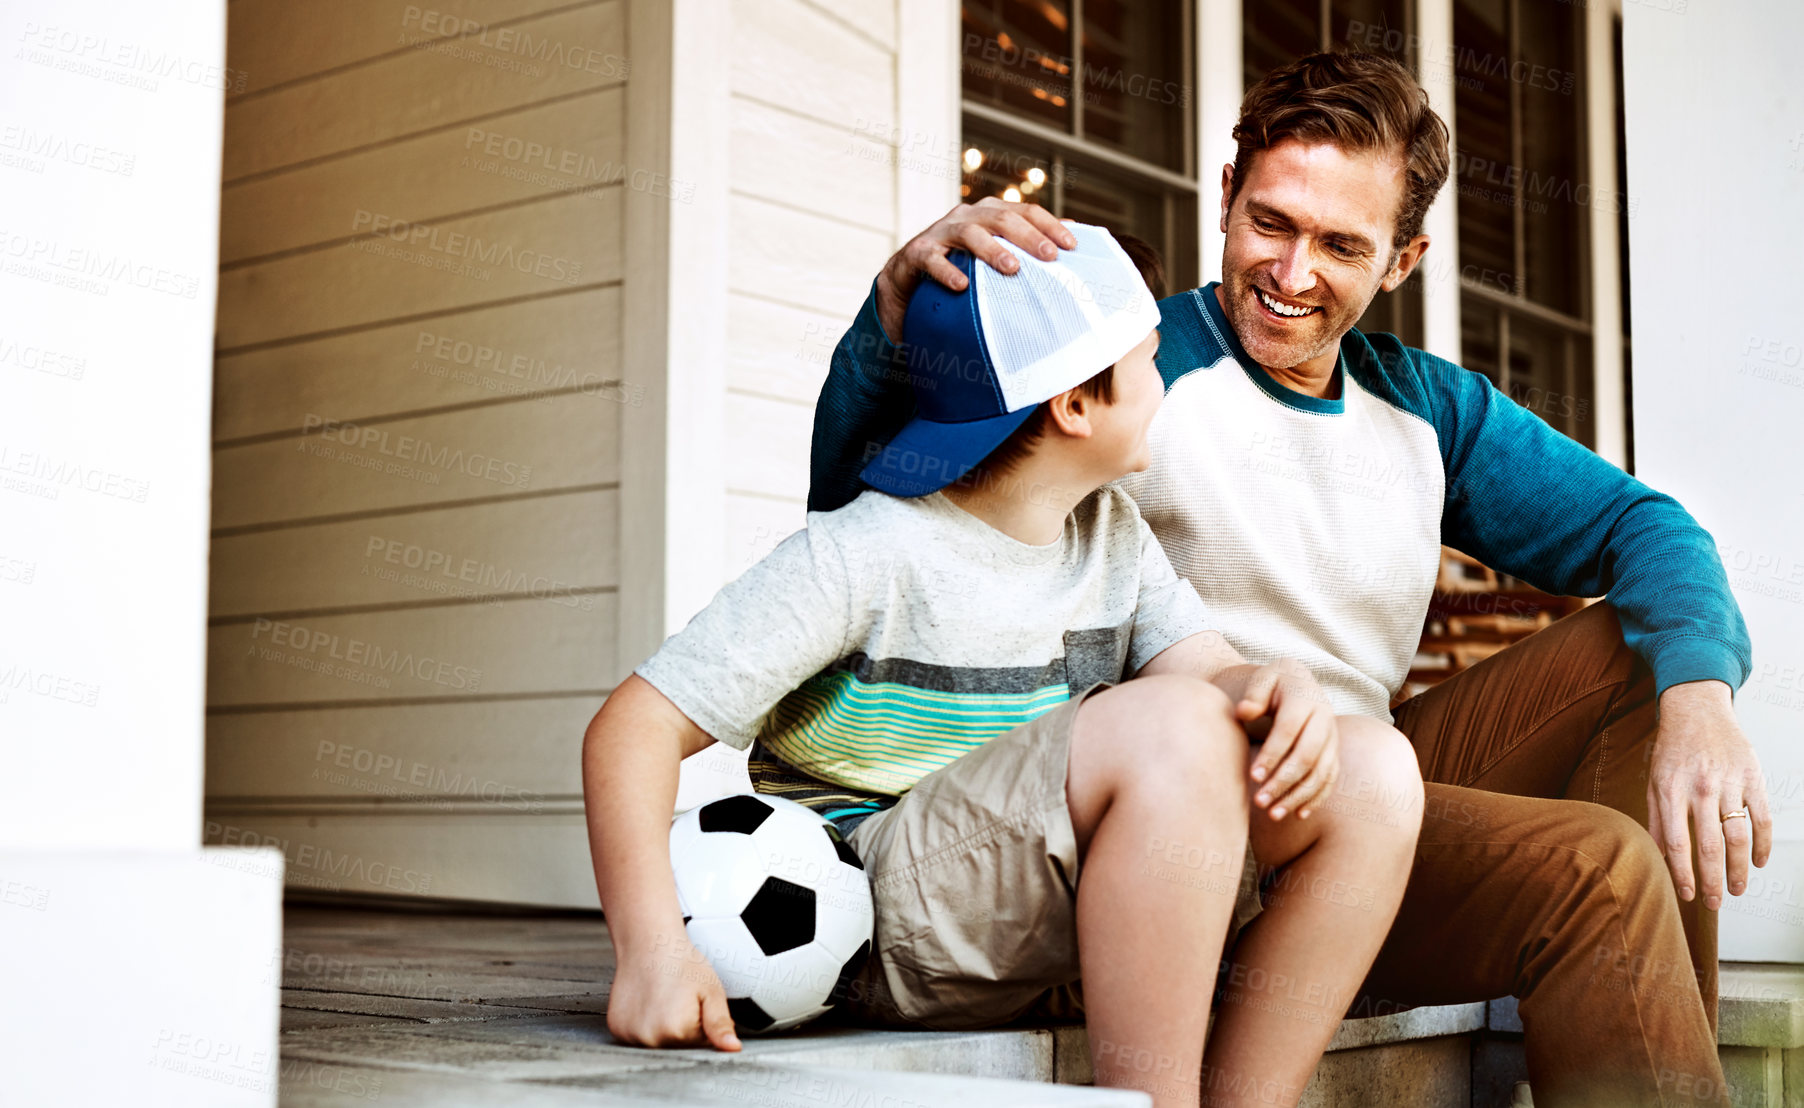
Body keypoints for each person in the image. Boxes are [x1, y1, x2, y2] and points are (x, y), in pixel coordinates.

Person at [806, 51, 1760, 1107]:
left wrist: (1701, 701)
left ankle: (1644, 1040)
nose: (1292, 272)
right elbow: (881, 502)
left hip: (1370, 798)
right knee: (1597, 868)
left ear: (1402, 261)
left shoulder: (1426, 408)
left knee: (1652, 652)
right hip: (1187, 835)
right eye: (1270, 222)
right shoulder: (1124, 367)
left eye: (1341, 244)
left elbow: (1647, 526)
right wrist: (889, 318)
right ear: (1224, 195)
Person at [583, 223, 1424, 1108]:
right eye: (1147, 362)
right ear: (1073, 404)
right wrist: (651, 951)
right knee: (1174, 726)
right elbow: (630, 729)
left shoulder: (1110, 535)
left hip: (1039, 916)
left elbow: (1207, 669)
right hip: (886, 916)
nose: (1162, 385)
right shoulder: (869, 552)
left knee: (1374, 768)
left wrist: (1269, 682)